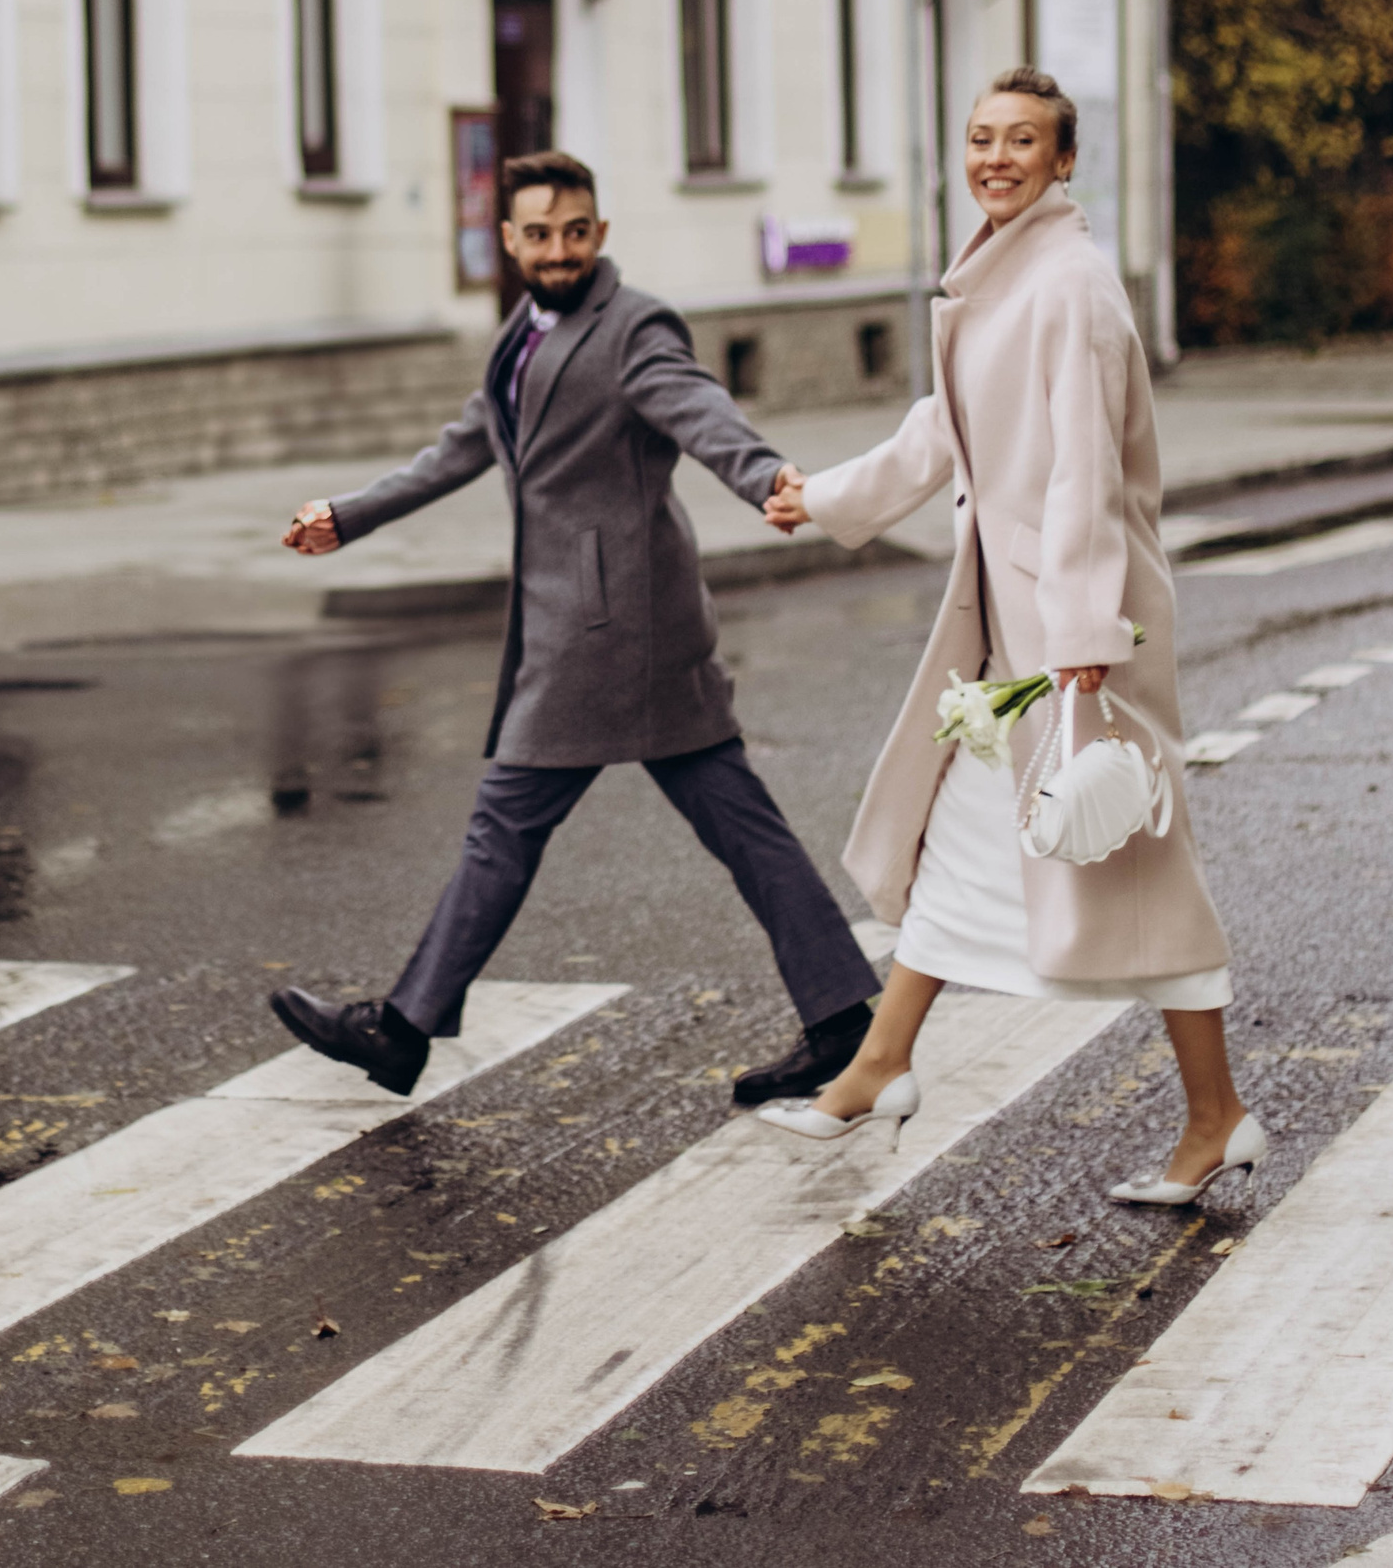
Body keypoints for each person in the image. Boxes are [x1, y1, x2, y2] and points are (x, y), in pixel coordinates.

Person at [265, 150, 882, 1104]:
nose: (561, 249)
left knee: (506, 822)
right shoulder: (522, 333)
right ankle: (845, 1013)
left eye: (577, 231)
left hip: (610, 630)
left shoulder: (634, 327)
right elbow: (462, 448)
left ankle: (403, 1027)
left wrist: (768, 477)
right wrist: (349, 514)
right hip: (599, 623)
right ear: (509, 241)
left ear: (600, 231)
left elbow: (700, 410)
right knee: (736, 819)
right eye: (541, 234)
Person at [758, 68, 1260, 1207]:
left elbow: (1086, 466)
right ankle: (880, 1063)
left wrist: (1082, 633)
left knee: (1131, 869)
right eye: (981, 138)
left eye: (1021, 140)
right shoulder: (1001, 278)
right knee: (966, 839)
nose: (995, 157)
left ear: (1061, 160)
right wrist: (826, 498)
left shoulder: (1070, 285)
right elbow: (943, 431)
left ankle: (1216, 1115)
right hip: (1018, 626)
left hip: (1078, 633)